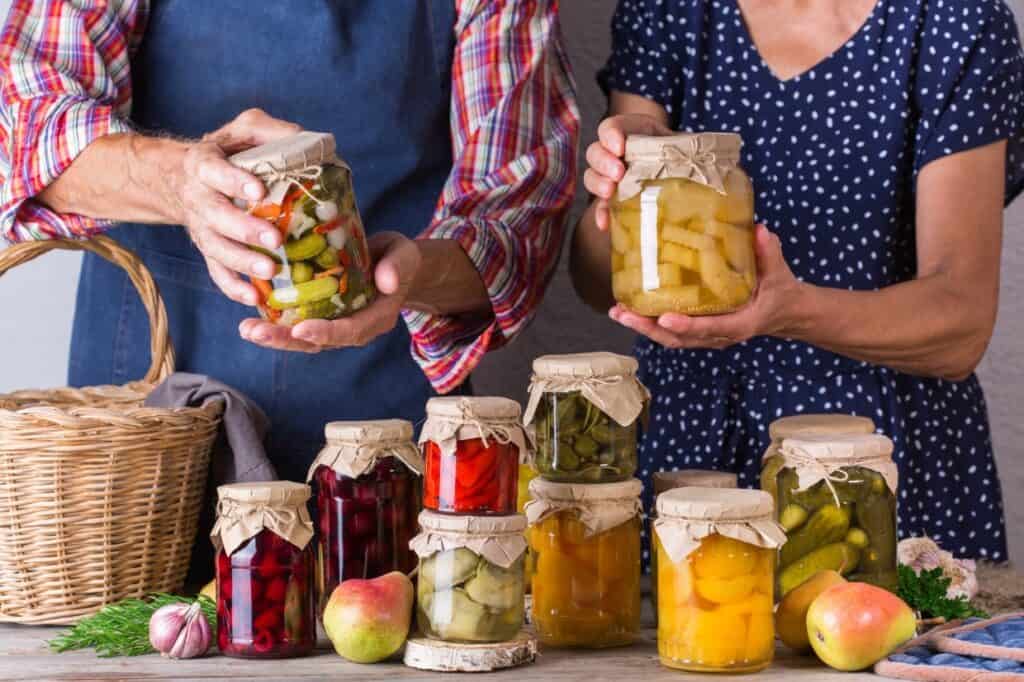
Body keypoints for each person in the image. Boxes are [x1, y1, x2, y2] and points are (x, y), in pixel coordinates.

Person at [0, 0, 578, 485]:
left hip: (378, 443)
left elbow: (514, 220)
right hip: (142, 447)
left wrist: (409, 277)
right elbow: (23, 121)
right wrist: (181, 183)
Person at [573, 0, 1023, 563]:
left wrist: (791, 310)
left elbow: (960, 327)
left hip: (876, 465)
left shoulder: (955, 20)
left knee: (893, 637)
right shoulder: (668, 10)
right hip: (691, 460)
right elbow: (598, 284)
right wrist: (621, 190)